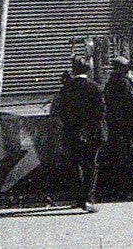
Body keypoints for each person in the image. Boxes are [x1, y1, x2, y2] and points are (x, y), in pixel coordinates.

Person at [55, 57, 106, 213]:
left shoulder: (66, 89)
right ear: (88, 70)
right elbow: (101, 112)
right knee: (91, 165)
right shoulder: (95, 88)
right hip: (92, 132)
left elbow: (61, 112)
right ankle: (88, 198)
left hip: (73, 132)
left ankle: (78, 198)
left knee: (75, 165)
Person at [102, 56, 133, 199]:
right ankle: (126, 187)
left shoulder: (110, 83)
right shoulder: (123, 82)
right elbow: (132, 101)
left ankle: (117, 187)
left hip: (114, 124)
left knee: (117, 155)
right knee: (126, 155)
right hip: (125, 124)